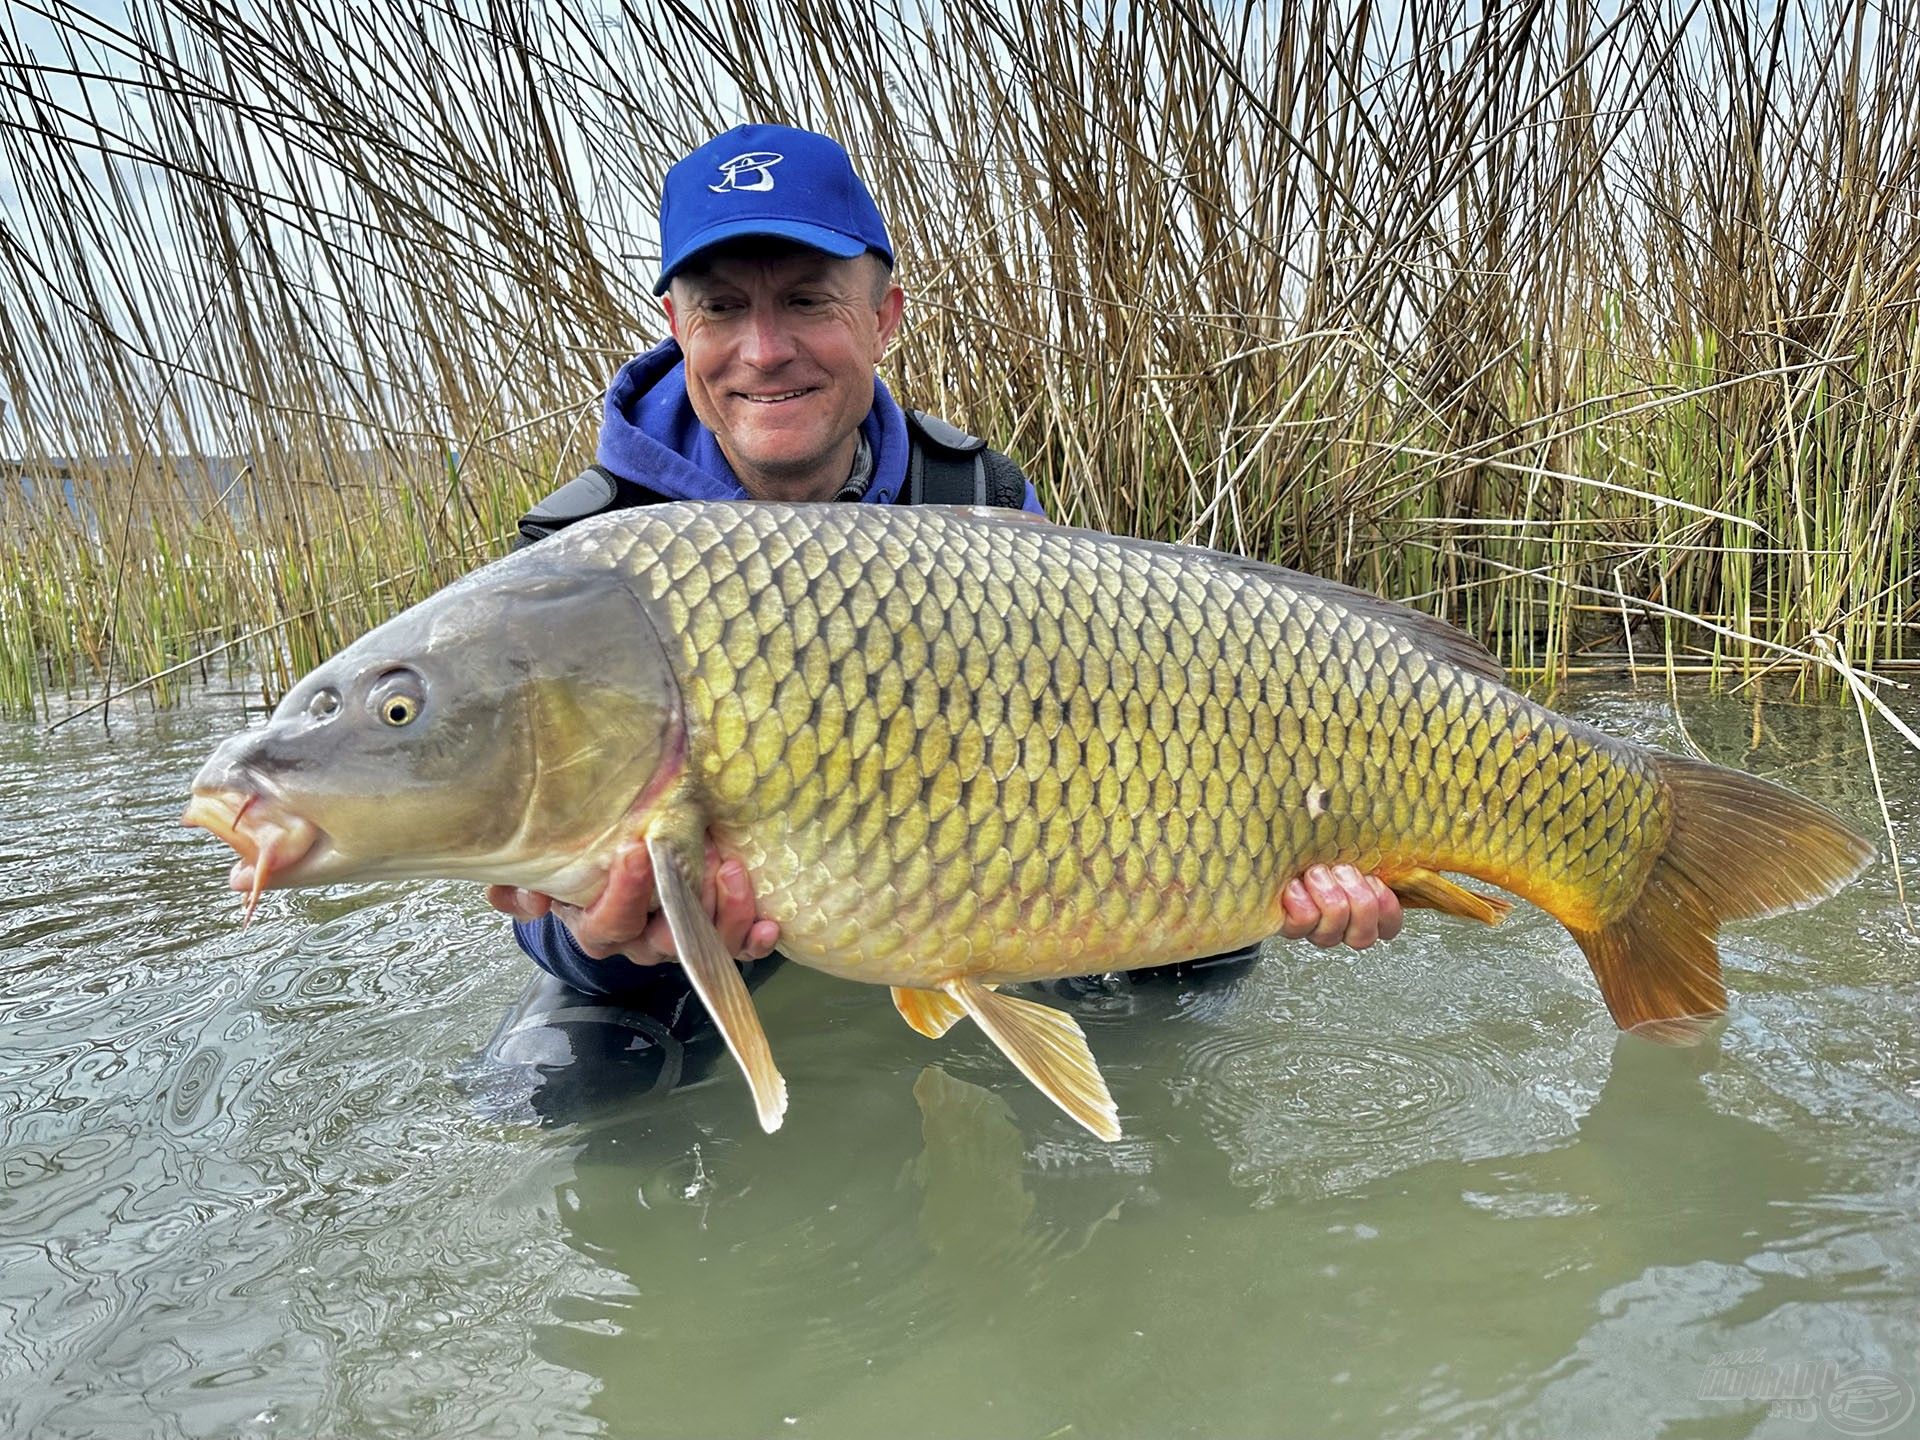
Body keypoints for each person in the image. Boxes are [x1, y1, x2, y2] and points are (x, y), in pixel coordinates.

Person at [485, 123, 1400, 1057]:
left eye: (807, 301)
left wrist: (1278, 857)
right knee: (565, 1070)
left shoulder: (975, 498)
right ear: (678, 327)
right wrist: (605, 939)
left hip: (951, 884)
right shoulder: (579, 557)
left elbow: (1106, 749)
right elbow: (536, 897)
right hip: (702, 947)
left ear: (882, 318)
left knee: (1199, 957)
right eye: (721, 308)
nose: (763, 350)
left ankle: (1128, 1150)